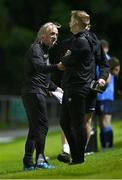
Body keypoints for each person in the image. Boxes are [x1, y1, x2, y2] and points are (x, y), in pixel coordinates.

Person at [57, 10, 110, 165]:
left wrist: (102, 78)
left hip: (80, 87)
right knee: (70, 122)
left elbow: (65, 61)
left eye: (71, 19)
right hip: (80, 86)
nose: (68, 22)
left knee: (80, 122)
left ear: (75, 23)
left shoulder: (82, 42)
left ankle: (78, 157)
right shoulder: (75, 41)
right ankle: (77, 155)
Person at [21, 22, 63, 170]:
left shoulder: (44, 51)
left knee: (34, 128)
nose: (54, 37)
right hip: (34, 92)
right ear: (42, 35)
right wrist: (57, 67)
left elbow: (43, 77)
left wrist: (56, 88)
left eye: (56, 35)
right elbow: (40, 68)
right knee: (42, 126)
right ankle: (40, 161)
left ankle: (28, 162)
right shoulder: (36, 49)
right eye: (52, 34)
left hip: (35, 92)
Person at [96, 57, 120, 150]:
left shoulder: (108, 75)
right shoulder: (108, 75)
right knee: (102, 123)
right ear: (112, 68)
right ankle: (105, 145)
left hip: (106, 99)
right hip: (102, 99)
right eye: (117, 69)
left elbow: (100, 88)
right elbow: (101, 88)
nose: (118, 72)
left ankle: (108, 145)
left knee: (105, 122)